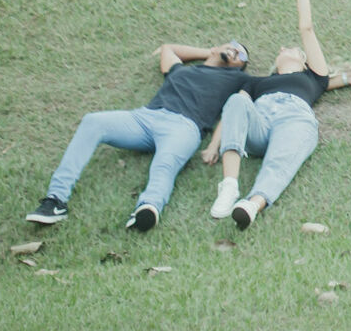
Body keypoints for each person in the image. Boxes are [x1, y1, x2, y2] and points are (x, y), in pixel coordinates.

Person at [201, 0, 351, 227]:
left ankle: (252, 205)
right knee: (236, 99)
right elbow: (234, 112)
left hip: (294, 120)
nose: (284, 47)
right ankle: (229, 186)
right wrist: (214, 145)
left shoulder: (314, 77)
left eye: (291, 47)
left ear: (304, 60)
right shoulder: (256, 82)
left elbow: (306, 27)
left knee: (281, 163)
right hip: (260, 121)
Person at [28, 38, 251, 231]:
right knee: (92, 121)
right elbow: (168, 50)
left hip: (184, 127)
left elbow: (233, 111)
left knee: (165, 164)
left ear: (239, 66)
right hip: (145, 118)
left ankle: (148, 208)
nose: (234, 50)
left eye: (240, 53)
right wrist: (210, 52)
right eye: (232, 45)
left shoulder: (236, 79)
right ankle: (55, 200)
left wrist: (213, 145)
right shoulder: (181, 70)